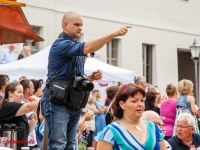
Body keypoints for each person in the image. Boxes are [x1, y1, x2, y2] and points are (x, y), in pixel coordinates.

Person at [41, 11, 131, 150]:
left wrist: (90, 78)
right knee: (58, 145)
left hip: (72, 102)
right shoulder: (61, 44)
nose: (80, 28)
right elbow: (88, 47)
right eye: (76, 24)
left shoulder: (76, 50)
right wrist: (113, 34)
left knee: (71, 145)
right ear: (65, 25)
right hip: (57, 102)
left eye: (81, 25)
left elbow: (75, 79)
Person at [95, 84, 166, 150]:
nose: (140, 104)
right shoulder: (110, 132)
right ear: (122, 104)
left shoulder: (153, 127)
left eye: (142, 101)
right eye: (134, 101)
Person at [0, 83, 40, 150]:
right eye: (19, 92)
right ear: (10, 93)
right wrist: (46, 100)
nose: (22, 94)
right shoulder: (8, 106)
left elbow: (28, 130)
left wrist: (35, 119)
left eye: (22, 92)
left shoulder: (18, 109)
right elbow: (29, 107)